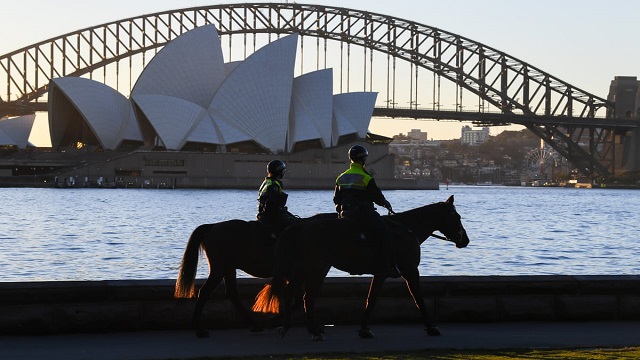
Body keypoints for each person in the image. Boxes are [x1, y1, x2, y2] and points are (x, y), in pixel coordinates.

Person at [333, 145, 400, 278]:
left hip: (345, 214)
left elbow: (336, 199)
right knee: (385, 233)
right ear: (363, 159)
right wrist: (386, 204)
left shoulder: (341, 177)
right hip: (363, 215)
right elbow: (377, 197)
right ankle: (387, 266)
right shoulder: (366, 177)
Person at [257, 160, 297, 237]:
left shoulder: (266, 182)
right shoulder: (275, 184)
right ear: (279, 171)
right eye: (283, 171)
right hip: (272, 216)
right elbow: (273, 204)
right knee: (293, 227)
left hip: (262, 214)